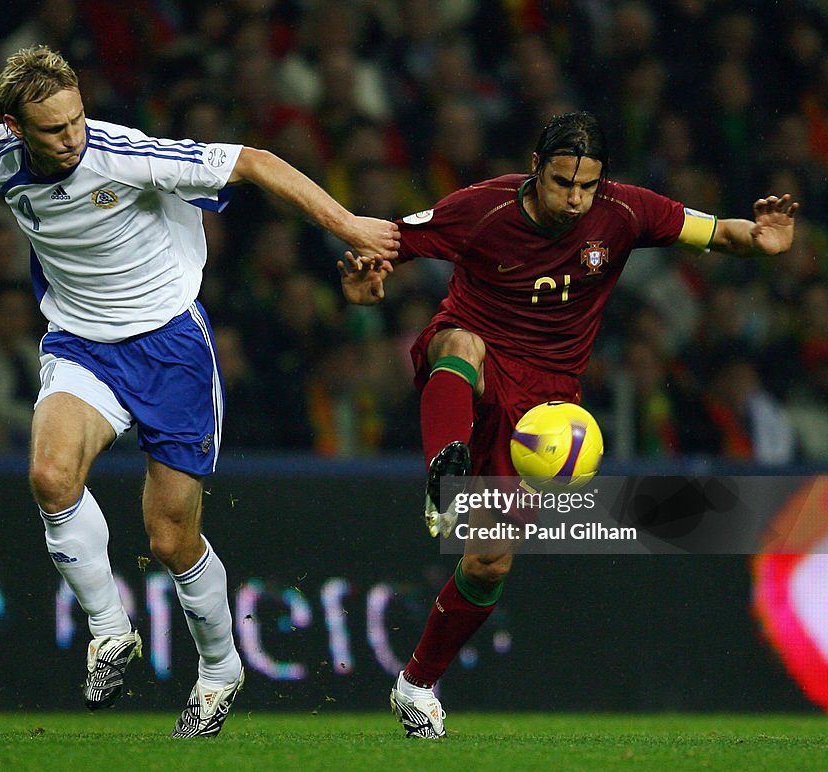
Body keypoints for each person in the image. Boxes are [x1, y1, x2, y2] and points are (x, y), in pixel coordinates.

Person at [338, 111, 798, 739]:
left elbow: (718, 233)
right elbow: (388, 241)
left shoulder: (627, 211)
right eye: (562, 183)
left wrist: (762, 240)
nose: (575, 199)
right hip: (479, 357)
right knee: (460, 345)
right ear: (535, 168)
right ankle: (443, 475)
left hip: (547, 406)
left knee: (490, 563)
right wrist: (365, 280)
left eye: (587, 186)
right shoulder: (483, 209)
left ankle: (415, 685)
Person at [0, 45, 398, 736]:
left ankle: (220, 668)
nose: (73, 136)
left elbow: (256, 163)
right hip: (81, 346)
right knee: (51, 476)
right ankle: (110, 632)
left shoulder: (125, 154)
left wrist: (349, 227)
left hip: (170, 349)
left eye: (78, 117)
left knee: (171, 539)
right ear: (13, 127)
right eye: (54, 129)